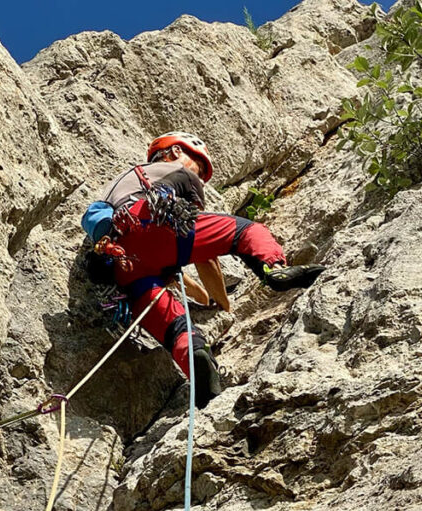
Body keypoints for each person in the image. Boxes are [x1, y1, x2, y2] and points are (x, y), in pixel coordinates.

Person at [83, 131, 324, 405]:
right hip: (155, 219)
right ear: (175, 152)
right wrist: (224, 304)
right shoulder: (178, 174)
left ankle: (200, 369)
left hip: (121, 265)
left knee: (174, 325)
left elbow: (160, 256)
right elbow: (198, 247)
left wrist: (199, 294)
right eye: (199, 166)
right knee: (247, 231)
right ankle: (274, 268)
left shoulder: (120, 184)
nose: (200, 176)